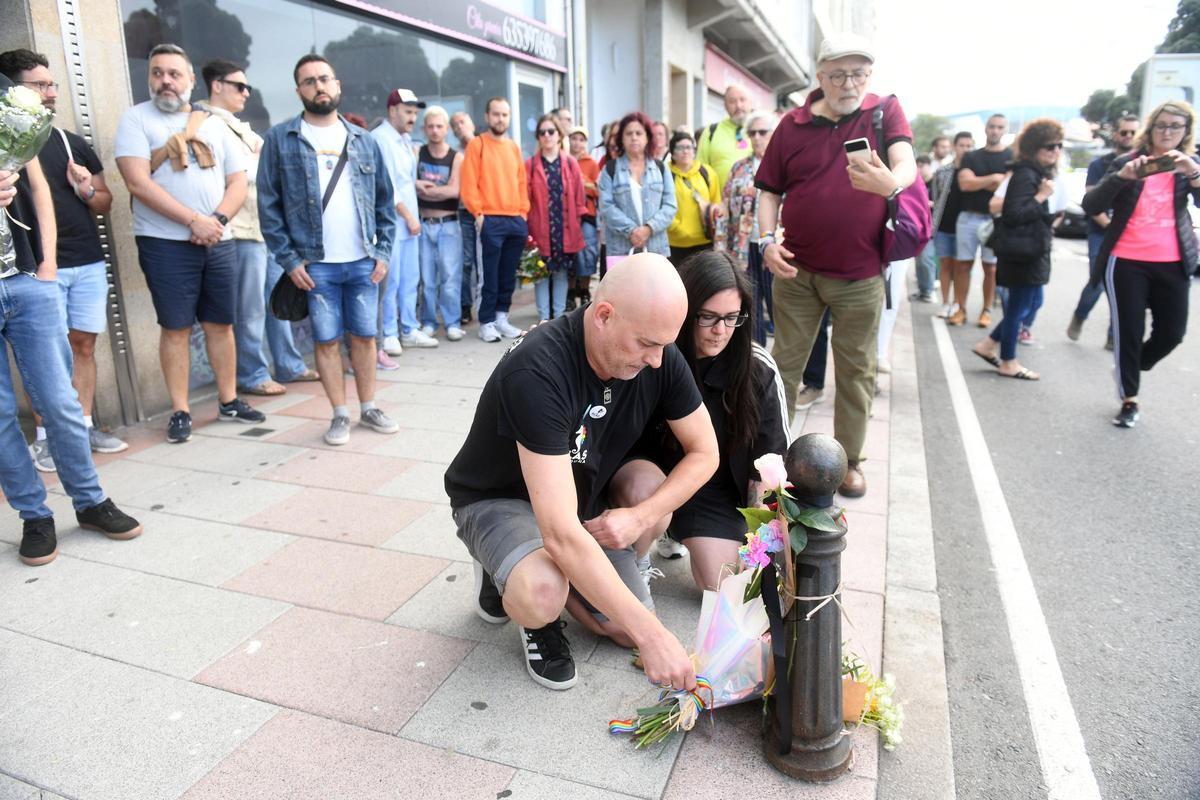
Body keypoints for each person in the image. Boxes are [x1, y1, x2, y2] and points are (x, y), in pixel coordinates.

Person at [444, 252, 719, 691]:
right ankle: (525, 595)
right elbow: (561, 532)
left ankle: (574, 573)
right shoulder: (537, 370)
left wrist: (640, 516)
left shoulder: (659, 352)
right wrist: (654, 637)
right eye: (646, 344)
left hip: (582, 497)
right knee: (543, 593)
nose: (655, 360)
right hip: (502, 498)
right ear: (604, 315)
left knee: (650, 501)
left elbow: (706, 452)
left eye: (663, 346)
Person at [755, 32, 915, 498]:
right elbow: (769, 190)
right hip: (796, 271)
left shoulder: (884, 111)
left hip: (861, 273)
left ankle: (849, 461)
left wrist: (892, 183)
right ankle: (774, 458)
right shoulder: (793, 124)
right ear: (820, 76)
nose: (850, 83)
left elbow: (906, 164)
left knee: (856, 369)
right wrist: (767, 239)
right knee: (783, 364)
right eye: (840, 74)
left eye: (859, 74)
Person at [0, 86, 143, 566]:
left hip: (26, 278)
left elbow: (37, 185)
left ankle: (89, 501)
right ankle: (34, 516)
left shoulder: (6, 103)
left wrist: (48, 266)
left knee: (60, 402)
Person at [114, 42, 264, 444]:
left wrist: (214, 221)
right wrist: (193, 221)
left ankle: (229, 400)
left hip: (219, 239)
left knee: (221, 324)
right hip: (164, 243)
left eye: (174, 73)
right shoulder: (135, 119)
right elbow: (137, 182)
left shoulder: (214, 124)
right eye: (158, 73)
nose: (166, 81)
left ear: (191, 80)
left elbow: (237, 181)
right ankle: (180, 409)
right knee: (176, 327)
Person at [257, 53, 400, 447]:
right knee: (324, 340)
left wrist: (383, 252)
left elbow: (385, 203)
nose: (318, 86)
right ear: (299, 90)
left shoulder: (364, 141)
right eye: (309, 81)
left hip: (362, 261)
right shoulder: (280, 140)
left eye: (324, 79)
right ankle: (339, 414)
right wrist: (288, 260)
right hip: (313, 264)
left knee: (366, 338)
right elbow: (268, 207)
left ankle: (369, 406)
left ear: (337, 85)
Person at [0, 49, 128, 467]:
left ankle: (84, 426)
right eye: (40, 85)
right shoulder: (11, 139)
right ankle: (45, 437)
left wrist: (85, 189)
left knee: (84, 345)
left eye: (53, 84)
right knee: (46, 359)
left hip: (86, 260)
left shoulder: (70, 142)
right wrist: (44, 265)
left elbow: (105, 202)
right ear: (12, 90)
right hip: (36, 268)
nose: (51, 93)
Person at [642, 252, 789, 589]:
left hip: (714, 492)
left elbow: (770, 467)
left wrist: (763, 543)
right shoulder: (654, 352)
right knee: (640, 492)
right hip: (653, 476)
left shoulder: (757, 368)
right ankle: (642, 551)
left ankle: (682, 532)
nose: (720, 331)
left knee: (724, 585)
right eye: (707, 317)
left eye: (731, 317)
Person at [196, 58, 318, 400]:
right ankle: (253, 372)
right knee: (249, 310)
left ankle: (289, 364)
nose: (247, 92)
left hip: (267, 228)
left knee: (277, 302)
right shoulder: (204, 123)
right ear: (216, 85)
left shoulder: (238, 125)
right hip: (239, 229)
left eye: (248, 86)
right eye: (239, 86)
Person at [1082, 100, 1200, 428]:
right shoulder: (1127, 162)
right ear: (1151, 128)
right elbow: (1092, 204)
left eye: (1176, 127)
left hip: (1173, 260)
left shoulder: (1190, 165)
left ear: (1185, 132)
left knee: (1172, 333)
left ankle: (1128, 366)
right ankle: (1129, 398)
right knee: (1129, 334)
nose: (1167, 132)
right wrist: (1121, 177)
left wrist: (1194, 173)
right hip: (1126, 259)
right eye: (1162, 125)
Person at [970, 119, 1062, 381]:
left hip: (1030, 249)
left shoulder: (1034, 173)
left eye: (1058, 146)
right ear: (1034, 148)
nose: (1055, 150)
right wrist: (1042, 196)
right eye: (1049, 146)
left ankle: (989, 344)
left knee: (1030, 302)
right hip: (1022, 251)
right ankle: (1008, 360)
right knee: (1020, 306)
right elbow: (1013, 214)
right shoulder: (1025, 174)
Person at [1068, 113, 1140, 349]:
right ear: (1116, 134)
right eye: (1124, 132)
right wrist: (1111, 227)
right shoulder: (1100, 164)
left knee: (1122, 287)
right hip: (1103, 232)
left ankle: (1114, 335)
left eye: (1133, 132)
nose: (1128, 136)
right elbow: (1092, 202)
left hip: (1131, 235)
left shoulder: (1146, 164)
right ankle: (1080, 315)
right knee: (1097, 282)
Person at [460, 97, 529, 343]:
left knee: (507, 274)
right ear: (488, 117)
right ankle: (487, 321)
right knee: (488, 275)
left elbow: (522, 183)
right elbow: (468, 183)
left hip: (514, 220)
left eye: (505, 114)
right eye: (496, 114)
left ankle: (502, 317)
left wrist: (523, 212)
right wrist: (478, 215)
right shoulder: (477, 145)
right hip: (489, 219)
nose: (501, 119)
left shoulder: (513, 147)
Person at [373, 88, 436, 357]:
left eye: (414, 112)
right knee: (393, 279)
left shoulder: (404, 139)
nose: (412, 117)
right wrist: (409, 216)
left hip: (409, 221)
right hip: (393, 222)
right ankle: (389, 332)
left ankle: (409, 328)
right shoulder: (381, 139)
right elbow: (387, 186)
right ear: (392, 111)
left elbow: (402, 180)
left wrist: (416, 185)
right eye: (407, 111)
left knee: (411, 278)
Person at [721, 110, 777, 344]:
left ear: (772, 134)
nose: (756, 137)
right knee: (750, 307)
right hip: (743, 248)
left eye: (762, 132)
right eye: (752, 132)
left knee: (778, 306)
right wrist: (721, 243)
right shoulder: (739, 168)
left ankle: (786, 369)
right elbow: (725, 204)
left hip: (774, 246)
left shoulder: (781, 164)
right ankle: (756, 362)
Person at [526, 114, 586, 321]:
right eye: (542, 132)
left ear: (559, 135)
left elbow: (580, 198)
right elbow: (526, 200)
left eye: (551, 131)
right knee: (540, 275)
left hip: (564, 229)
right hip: (539, 228)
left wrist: (577, 227)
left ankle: (558, 319)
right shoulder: (531, 164)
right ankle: (543, 319)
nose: (547, 136)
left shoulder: (570, 163)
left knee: (561, 274)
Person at [414, 104, 465, 341]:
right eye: (431, 126)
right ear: (424, 128)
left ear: (446, 129)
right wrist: (439, 191)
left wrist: (426, 190)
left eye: (439, 126)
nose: (435, 130)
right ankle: (428, 322)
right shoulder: (417, 153)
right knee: (426, 279)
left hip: (449, 226)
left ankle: (452, 322)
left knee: (450, 278)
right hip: (424, 224)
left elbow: (455, 192)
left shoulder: (456, 158)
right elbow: (411, 187)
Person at [955, 114, 1011, 327]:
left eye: (999, 127)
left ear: (1004, 130)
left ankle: (986, 310)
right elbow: (965, 184)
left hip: (996, 220)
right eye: (991, 126)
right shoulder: (971, 156)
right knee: (963, 266)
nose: (995, 130)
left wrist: (980, 181)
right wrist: (996, 179)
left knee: (991, 268)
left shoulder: (1011, 156)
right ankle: (960, 308)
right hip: (969, 217)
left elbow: (1009, 189)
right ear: (986, 129)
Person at [598, 111, 677, 258]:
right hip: (621, 249)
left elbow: (670, 205)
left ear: (647, 137)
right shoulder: (610, 170)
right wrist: (632, 231)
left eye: (638, 133)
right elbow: (606, 207)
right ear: (621, 138)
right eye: (628, 133)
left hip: (656, 248)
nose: (634, 137)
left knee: (655, 282)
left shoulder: (661, 168)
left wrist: (648, 229)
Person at [930, 132, 973, 318]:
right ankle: (946, 302)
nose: (965, 149)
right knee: (945, 266)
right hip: (943, 227)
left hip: (966, 229)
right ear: (955, 146)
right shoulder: (942, 171)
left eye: (969, 146)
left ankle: (959, 304)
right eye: (962, 145)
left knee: (962, 268)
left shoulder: (975, 172)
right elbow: (935, 199)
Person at [666, 130, 720, 269]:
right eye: (680, 148)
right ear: (672, 152)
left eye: (689, 147)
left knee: (703, 283)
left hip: (704, 241)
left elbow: (716, 202)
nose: (685, 151)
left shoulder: (706, 172)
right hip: (675, 242)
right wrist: (676, 228)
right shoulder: (665, 174)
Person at [696, 84, 752, 193]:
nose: (738, 105)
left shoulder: (761, 131)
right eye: (732, 101)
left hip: (755, 205)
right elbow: (700, 170)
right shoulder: (711, 131)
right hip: (720, 205)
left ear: (750, 103)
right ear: (725, 106)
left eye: (742, 100)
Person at [450, 111, 478, 325]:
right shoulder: (455, 154)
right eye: (455, 124)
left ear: (471, 123)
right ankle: (465, 306)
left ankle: (489, 309)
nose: (459, 126)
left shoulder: (485, 146)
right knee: (466, 261)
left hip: (486, 212)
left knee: (485, 263)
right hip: (464, 212)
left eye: (462, 121)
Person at [567, 125, 599, 308]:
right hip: (567, 214)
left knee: (588, 252)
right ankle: (571, 292)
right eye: (574, 138)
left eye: (581, 139)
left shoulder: (591, 163)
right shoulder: (563, 159)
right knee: (570, 253)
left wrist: (581, 182)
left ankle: (585, 290)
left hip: (586, 214)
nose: (577, 143)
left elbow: (597, 190)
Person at [913, 154, 939, 302]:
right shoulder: (916, 182)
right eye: (917, 165)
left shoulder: (936, 182)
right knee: (920, 259)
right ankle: (923, 290)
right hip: (919, 226)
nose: (919, 169)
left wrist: (929, 203)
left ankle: (929, 290)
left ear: (929, 165)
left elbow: (941, 203)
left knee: (926, 259)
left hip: (933, 227)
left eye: (922, 165)